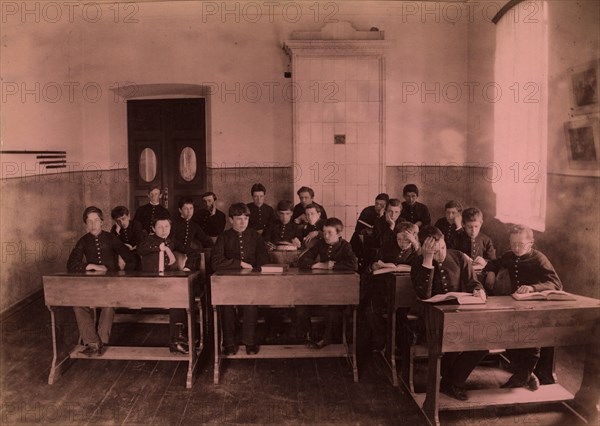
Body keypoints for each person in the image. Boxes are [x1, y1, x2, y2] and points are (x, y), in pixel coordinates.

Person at [411, 225, 487, 401]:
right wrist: (428, 260)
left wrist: (479, 290)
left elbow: (473, 283)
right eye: (434, 252)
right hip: (430, 319)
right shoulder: (418, 263)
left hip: (460, 316)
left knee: (483, 341)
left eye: (443, 248)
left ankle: (452, 380)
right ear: (424, 249)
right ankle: (454, 382)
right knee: (451, 340)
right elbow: (424, 295)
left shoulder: (459, 256)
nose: (441, 254)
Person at [483, 225, 562, 391]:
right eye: (513, 244)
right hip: (514, 306)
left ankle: (521, 377)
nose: (516, 248)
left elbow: (556, 283)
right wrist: (490, 271)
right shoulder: (509, 255)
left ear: (531, 243)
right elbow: (493, 263)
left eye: (520, 244)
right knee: (506, 337)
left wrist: (533, 288)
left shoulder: (539, 258)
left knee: (531, 342)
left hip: (535, 309)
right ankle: (526, 373)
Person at [67, 206, 135, 356]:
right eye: (89, 221)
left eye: (96, 220)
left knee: (108, 304)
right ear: (86, 224)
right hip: (92, 286)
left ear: (102, 222)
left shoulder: (111, 238)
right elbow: (71, 264)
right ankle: (92, 343)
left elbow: (130, 258)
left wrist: (122, 270)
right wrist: (90, 266)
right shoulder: (83, 241)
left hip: (112, 285)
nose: (93, 224)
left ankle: (102, 342)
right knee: (78, 304)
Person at [211, 203, 270, 355]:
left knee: (251, 306)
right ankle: (229, 343)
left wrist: (255, 274)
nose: (243, 222)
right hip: (228, 284)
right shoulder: (224, 237)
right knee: (226, 306)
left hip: (251, 283)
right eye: (239, 219)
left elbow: (263, 260)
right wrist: (239, 264)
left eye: (245, 218)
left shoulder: (255, 236)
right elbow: (216, 262)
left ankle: (249, 342)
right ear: (231, 220)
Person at [297, 218, 358, 349]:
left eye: (330, 232)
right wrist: (316, 265)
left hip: (339, 292)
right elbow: (302, 260)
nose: (326, 236)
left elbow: (353, 264)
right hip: (320, 290)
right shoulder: (320, 244)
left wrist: (332, 266)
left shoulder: (345, 246)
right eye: (324, 232)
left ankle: (326, 339)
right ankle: (309, 335)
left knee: (333, 310)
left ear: (339, 234)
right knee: (301, 305)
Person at [137, 215, 190, 354]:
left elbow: (190, 249)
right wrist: (161, 248)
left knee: (179, 297)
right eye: (159, 227)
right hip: (150, 284)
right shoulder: (147, 240)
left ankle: (178, 339)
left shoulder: (171, 242)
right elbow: (141, 249)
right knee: (177, 297)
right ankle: (178, 339)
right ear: (153, 229)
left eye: (166, 226)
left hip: (167, 283)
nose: (163, 230)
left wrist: (187, 266)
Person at [366, 221, 420, 351]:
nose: (401, 242)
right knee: (372, 311)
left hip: (407, 294)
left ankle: (399, 345)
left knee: (400, 316)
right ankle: (382, 341)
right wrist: (374, 266)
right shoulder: (388, 247)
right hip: (384, 290)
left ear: (413, 238)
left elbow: (422, 264)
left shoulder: (417, 251)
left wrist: (415, 244)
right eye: (399, 239)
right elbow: (374, 263)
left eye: (406, 239)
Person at [171, 197, 214, 271]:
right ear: (180, 210)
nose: (189, 211)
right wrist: (184, 248)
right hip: (176, 250)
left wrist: (215, 247)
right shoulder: (174, 223)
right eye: (186, 208)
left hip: (188, 252)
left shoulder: (194, 225)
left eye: (191, 208)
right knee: (193, 253)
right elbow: (172, 239)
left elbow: (204, 238)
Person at [349, 193, 389, 271]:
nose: (378, 207)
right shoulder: (367, 210)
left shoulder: (388, 214)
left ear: (386, 206)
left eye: (381, 205)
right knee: (356, 237)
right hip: (365, 238)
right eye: (376, 204)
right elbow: (358, 228)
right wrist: (364, 231)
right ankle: (353, 262)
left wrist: (381, 216)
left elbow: (382, 233)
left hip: (379, 241)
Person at [110, 205, 147, 269]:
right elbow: (113, 245)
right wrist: (117, 232)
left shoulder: (136, 224)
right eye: (118, 221)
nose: (121, 222)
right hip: (122, 256)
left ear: (128, 216)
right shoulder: (115, 229)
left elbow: (140, 241)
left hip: (137, 254)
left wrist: (132, 247)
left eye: (123, 219)